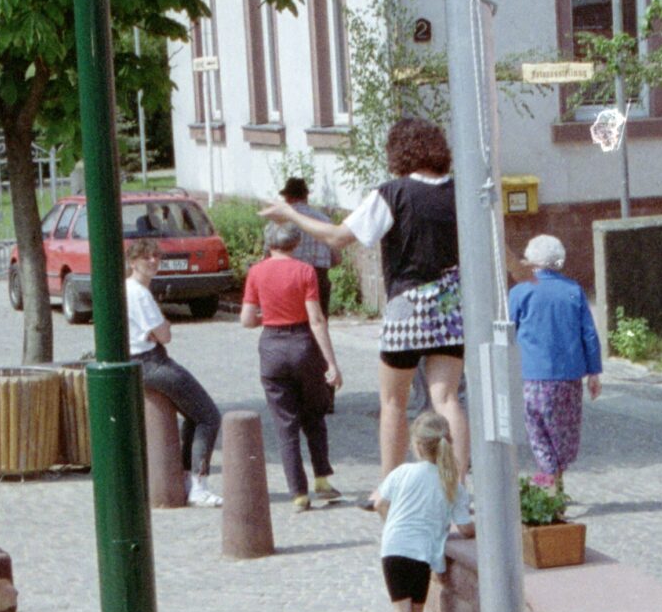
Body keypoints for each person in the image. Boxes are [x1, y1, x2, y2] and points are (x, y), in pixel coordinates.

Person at [264, 118, 469, 480]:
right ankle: (458, 491)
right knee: (447, 398)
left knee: (393, 402)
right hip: (451, 304)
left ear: (400, 153)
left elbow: (338, 237)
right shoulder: (458, 191)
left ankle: (389, 490)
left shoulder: (392, 193)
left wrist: (290, 214)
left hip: (407, 306)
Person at [241, 220, 345, 510]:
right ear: (296, 243)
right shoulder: (305, 271)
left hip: (271, 347)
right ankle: (322, 478)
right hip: (302, 344)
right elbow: (316, 320)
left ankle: (298, 493)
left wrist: (270, 318)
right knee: (314, 414)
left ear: (269, 244)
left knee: (285, 423)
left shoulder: (256, 272)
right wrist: (331, 363)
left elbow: (247, 319)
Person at [371, 410, 470, 612]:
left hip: (393, 548)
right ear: (447, 442)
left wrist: (389, 519)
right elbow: (465, 528)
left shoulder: (401, 473)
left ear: (416, 445)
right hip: (421, 553)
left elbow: (377, 502)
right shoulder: (451, 483)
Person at [129, 241, 225, 507]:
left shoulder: (129, 290)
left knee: (194, 415)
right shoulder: (140, 294)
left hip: (142, 361)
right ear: (132, 262)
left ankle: (188, 478)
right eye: (145, 257)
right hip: (152, 362)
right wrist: (162, 327)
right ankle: (198, 485)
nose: (152, 261)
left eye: (156, 257)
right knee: (209, 416)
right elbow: (165, 335)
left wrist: (159, 328)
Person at [507, 234, 601, 494]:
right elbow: (589, 333)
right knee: (564, 433)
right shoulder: (573, 291)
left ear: (530, 261)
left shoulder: (519, 292)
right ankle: (554, 481)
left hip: (533, 377)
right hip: (569, 378)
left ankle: (549, 482)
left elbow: (507, 333)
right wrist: (594, 372)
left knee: (538, 432)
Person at [278, 175, 339, 314]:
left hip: (290, 278)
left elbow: (269, 256)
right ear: (306, 196)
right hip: (319, 278)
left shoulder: (280, 220)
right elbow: (337, 259)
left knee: (292, 326)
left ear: (287, 197)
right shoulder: (324, 220)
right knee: (318, 324)